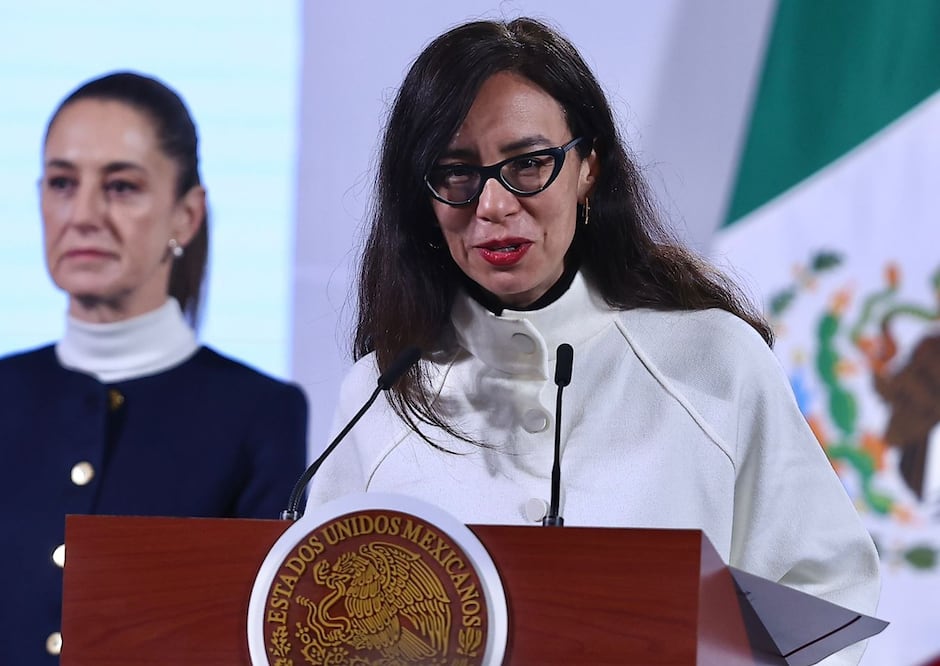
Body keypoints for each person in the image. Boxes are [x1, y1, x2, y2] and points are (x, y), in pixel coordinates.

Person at [306, 17, 879, 664]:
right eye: (457, 173)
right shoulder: (380, 392)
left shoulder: (714, 360)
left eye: (528, 164)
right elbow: (313, 620)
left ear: (588, 171)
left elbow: (827, 593)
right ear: (424, 201)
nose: (492, 205)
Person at [0, 72, 308, 664]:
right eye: (62, 182)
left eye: (121, 186)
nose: (82, 214)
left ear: (186, 215)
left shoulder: (259, 415)